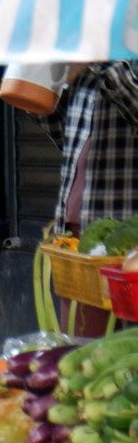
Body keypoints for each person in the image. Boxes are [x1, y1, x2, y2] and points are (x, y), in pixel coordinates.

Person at [38, 62, 138, 334]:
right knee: (83, 347)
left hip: (127, 238)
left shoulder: (105, 56)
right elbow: (65, 136)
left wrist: (104, 61)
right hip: (78, 231)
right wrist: (39, 83)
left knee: (126, 348)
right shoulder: (85, 57)